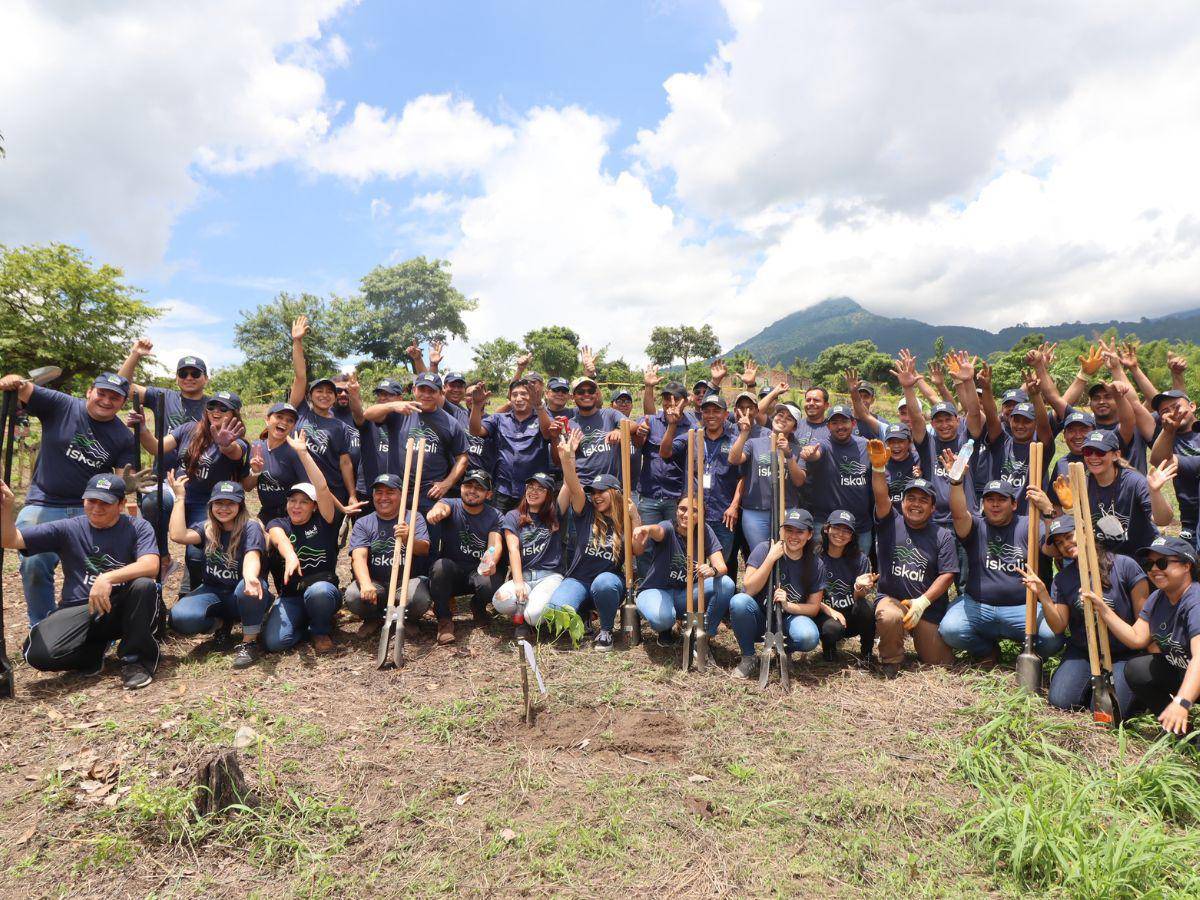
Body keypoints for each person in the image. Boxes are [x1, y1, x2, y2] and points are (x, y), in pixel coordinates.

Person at [0, 371, 136, 625]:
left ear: (123, 403)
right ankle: (40, 628)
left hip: (90, 508)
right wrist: (13, 379)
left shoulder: (124, 437)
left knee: (98, 569)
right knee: (34, 564)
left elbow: (122, 481)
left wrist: (128, 484)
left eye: (114, 397)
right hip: (44, 501)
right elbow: (22, 387)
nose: (106, 400)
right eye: (102, 393)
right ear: (89, 391)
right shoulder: (61, 404)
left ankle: (93, 629)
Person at [1, 473, 159, 689]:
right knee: (36, 654)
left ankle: (137, 661)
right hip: (80, 609)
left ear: (121, 504)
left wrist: (107, 577)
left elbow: (151, 566)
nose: (96, 508)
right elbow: (10, 539)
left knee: (144, 585)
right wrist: (6, 508)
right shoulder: (68, 528)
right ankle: (93, 654)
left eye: (105, 502)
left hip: (122, 607)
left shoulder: (137, 527)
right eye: (91, 501)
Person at [1023, 515, 1148, 713]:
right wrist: (1043, 595)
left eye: (1069, 536)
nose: (1065, 544)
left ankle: (1130, 689)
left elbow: (1144, 620)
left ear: (1085, 532)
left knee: (1107, 714)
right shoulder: (1063, 579)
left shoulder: (1125, 566)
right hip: (1084, 651)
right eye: (1059, 542)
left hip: (1124, 652)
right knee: (1060, 701)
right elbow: (1058, 626)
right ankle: (1090, 683)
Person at [936, 470, 1064, 664]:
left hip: (1023, 608)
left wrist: (1048, 512)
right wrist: (956, 482)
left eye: (1001, 500)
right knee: (950, 630)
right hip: (978, 606)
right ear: (983, 504)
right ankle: (987, 650)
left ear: (1014, 504)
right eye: (989, 500)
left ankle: (1027, 653)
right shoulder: (976, 526)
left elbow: (1053, 550)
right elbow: (959, 514)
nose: (995, 504)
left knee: (1052, 637)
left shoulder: (1028, 524)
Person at [140, 390, 249, 590]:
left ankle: (195, 589)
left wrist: (225, 445)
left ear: (234, 413)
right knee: (152, 502)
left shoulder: (238, 439)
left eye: (223, 408)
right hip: (178, 491)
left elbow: (235, 452)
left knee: (196, 553)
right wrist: (142, 429)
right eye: (212, 406)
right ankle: (163, 558)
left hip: (207, 502)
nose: (216, 411)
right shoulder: (189, 428)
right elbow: (156, 448)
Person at [165, 477, 272, 668]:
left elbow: (252, 556)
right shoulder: (208, 527)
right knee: (179, 618)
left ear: (240, 505)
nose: (224, 508)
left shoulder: (251, 526)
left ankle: (249, 641)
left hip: (245, 592)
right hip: (213, 592)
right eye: (218, 503)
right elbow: (178, 536)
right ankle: (222, 625)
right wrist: (180, 498)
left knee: (246, 589)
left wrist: (249, 577)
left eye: (230, 503)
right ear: (211, 505)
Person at [365, 372, 469, 556]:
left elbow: (463, 457)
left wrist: (447, 483)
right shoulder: (401, 413)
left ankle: (422, 583)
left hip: (428, 498)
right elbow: (368, 414)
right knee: (394, 546)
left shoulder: (451, 423)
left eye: (432, 391)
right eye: (422, 389)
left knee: (425, 548)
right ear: (414, 390)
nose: (426, 395)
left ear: (440, 394)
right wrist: (392, 404)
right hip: (398, 495)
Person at [546, 457, 643, 651]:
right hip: (579, 579)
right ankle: (585, 615)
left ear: (615, 493)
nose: (596, 496)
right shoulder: (586, 511)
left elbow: (638, 550)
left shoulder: (626, 519)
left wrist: (636, 518)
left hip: (608, 582)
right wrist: (568, 459)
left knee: (603, 583)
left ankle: (606, 630)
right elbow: (573, 485)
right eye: (594, 492)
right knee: (556, 610)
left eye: (601, 492)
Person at [870, 465, 958, 676]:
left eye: (923, 500)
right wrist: (879, 468)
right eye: (911, 498)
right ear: (902, 502)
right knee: (890, 617)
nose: (916, 504)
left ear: (933, 508)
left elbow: (948, 574)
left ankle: (920, 637)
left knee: (941, 663)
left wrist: (923, 602)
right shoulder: (889, 521)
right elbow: (881, 495)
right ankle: (891, 659)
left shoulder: (943, 535)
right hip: (893, 599)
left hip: (926, 608)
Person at [1107, 536, 1200, 734]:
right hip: (1184, 671)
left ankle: (1179, 712)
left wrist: (1182, 701)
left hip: (1196, 671)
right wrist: (1103, 610)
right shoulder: (1157, 598)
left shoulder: (1196, 601)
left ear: (1187, 566)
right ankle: (1181, 732)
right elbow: (1136, 638)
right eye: (1149, 564)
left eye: (1162, 562)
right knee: (1138, 670)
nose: (1154, 569)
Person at [263, 435, 345, 654]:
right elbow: (278, 537)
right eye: (292, 501)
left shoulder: (325, 520)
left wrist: (303, 453)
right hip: (291, 597)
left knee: (318, 593)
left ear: (315, 506)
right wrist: (290, 555)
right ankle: (306, 626)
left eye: (304, 502)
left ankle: (320, 630)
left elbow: (322, 486)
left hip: (322, 590)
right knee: (274, 643)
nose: (296, 506)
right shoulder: (279, 523)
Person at [118, 340, 211, 522]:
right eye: (183, 373)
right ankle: (160, 550)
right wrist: (135, 355)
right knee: (152, 504)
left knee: (197, 544)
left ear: (206, 378)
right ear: (177, 378)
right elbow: (122, 387)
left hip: (200, 480)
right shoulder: (163, 396)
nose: (189, 377)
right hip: (162, 477)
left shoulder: (214, 406)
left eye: (195, 373)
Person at [728, 508, 826, 679]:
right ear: (782, 530)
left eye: (800, 531)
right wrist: (770, 559)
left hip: (789, 620)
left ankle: (784, 650)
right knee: (739, 602)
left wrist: (789, 606)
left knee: (809, 636)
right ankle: (749, 656)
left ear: (809, 535)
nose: (793, 536)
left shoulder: (815, 564)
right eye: (789, 530)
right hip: (760, 617)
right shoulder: (764, 549)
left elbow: (813, 608)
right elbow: (748, 589)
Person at [631, 495, 736, 647]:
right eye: (682, 509)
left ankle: (704, 635)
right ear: (676, 510)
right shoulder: (668, 527)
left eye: (694, 511)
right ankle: (664, 627)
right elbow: (657, 530)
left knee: (726, 584)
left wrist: (712, 570)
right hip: (656, 591)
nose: (686, 514)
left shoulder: (704, 531)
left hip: (685, 595)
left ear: (702, 515)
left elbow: (722, 567)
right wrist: (646, 528)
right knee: (662, 619)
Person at [288, 316, 360, 522]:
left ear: (335, 398)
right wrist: (297, 342)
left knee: (329, 547)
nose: (324, 395)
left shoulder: (339, 426)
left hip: (332, 492)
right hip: (302, 492)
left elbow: (345, 463)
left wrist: (352, 494)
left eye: (330, 392)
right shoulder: (300, 412)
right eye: (319, 391)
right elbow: (300, 376)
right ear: (309, 396)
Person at [345, 473, 434, 638]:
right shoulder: (363, 522)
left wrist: (408, 538)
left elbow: (424, 549)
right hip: (376, 583)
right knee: (353, 596)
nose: (383, 497)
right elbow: (358, 557)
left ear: (401, 494)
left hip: (406, 581)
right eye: (378, 492)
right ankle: (374, 619)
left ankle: (408, 620)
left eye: (390, 492)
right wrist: (365, 584)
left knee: (419, 599)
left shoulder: (413, 517)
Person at [426, 469, 504, 637]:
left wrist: (491, 560)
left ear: (489, 494)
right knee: (439, 567)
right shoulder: (450, 504)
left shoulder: (494, 515)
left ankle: (477, 605)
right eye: (468, 485)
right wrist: (436, 511)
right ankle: (444, 620)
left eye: (479, 488)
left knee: (491, 583)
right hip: (452, 573)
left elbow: (494, 544)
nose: (472, 491)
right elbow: (442, 507)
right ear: (461, 488)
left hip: (477, 570)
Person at [1078, 429, 1174, 556]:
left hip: (1141, 556)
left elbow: (1163, 520)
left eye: (1101, 452)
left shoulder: (1134, 482)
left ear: (1116, 455)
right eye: (1088, 452)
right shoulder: (1083, 483)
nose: (1093, 457)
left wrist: (1155, 492)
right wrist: (1069, 507)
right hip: (1106, 560)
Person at [491, 472, 566, 628]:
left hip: (549, 577)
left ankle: (537, 611)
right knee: (500, 601)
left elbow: (568, 486)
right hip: (524, 577)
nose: (533, 491)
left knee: (533, 616)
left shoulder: (556, 513)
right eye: (530, 487)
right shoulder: (513, 515)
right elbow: (513, 550)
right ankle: (530, 604)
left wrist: (569, 458)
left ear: (549, 494)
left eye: (540, 488)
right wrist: (518, 583)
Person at [727, 403, 806, 549]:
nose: (783, 419)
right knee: (759, 554)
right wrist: (744, 433)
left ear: (794, 427)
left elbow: (799, 481)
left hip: (786, 510)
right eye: (780, 415)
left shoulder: (797, 450)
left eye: (789, 418)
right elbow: (733, 459)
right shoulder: (753, 443)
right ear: (773, 417)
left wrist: (788, 455)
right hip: (755, 512)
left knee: (785, 555)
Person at [470, 379, 553, 513]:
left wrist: (539, 406)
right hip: (503, 490)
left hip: (532, 492)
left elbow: (548, 434)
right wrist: (477, 405)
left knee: (528, 531)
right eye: (514, 395)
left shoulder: (542, 417)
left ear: (532, 396)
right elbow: (475, 431)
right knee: (498, 530)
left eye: (524, 394)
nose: (519, 398)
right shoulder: (499, 419)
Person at [799, 405, 872, 551]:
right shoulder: (823, 444)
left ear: (853, 423)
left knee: (859, 568)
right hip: (826, 525)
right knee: (820, 569)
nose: (840, 427)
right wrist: (811, 454)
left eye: (844, 422)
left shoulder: (866, 446)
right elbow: (816, 452)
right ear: (828, 426)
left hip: (860, 526)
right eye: (834, 423)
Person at [816, 510, 877, 661]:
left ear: (852, 536)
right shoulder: (815, 557)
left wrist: (859, 587)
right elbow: (809, 596)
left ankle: (867, 652)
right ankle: (829, 650)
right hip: (826, 615)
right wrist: (832, 612)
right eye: (836, 528)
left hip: (851, 616)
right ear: (827, 529)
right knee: (831, 629)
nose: (840, 534)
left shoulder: (860, 559)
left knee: (866, 607)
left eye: (846, 530)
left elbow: (859, 599)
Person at [692, 394, 742, 561]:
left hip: (723, 515)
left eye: (716, 411)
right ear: (701, 414)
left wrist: (734, 506)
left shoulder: (735, 442)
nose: (711, 415)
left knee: (720, 565)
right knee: (694, 564)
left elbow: (743, 477)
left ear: (726, 415)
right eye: (706, 411)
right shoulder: (693, 439)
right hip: (696, 514)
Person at [243, 402, 307, 525]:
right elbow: (247, 486)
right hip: (266, 512)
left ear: (293, 426)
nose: (284, 422)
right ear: (267, 420)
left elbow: (308, 488)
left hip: (291, 516)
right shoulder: (256, 447)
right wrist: (255, 472)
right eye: (279, 417)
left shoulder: (295, 452)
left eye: (290, 420)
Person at [558, 376, 625, 482]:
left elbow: (632, 425)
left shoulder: (609, 414)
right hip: (581, 487)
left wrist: (619, 430)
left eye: (591, 391)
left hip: (608, 487)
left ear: (596, 395)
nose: (586, 394)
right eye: (581, 392)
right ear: (573, 397)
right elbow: (561, 459)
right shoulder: (569, 425)